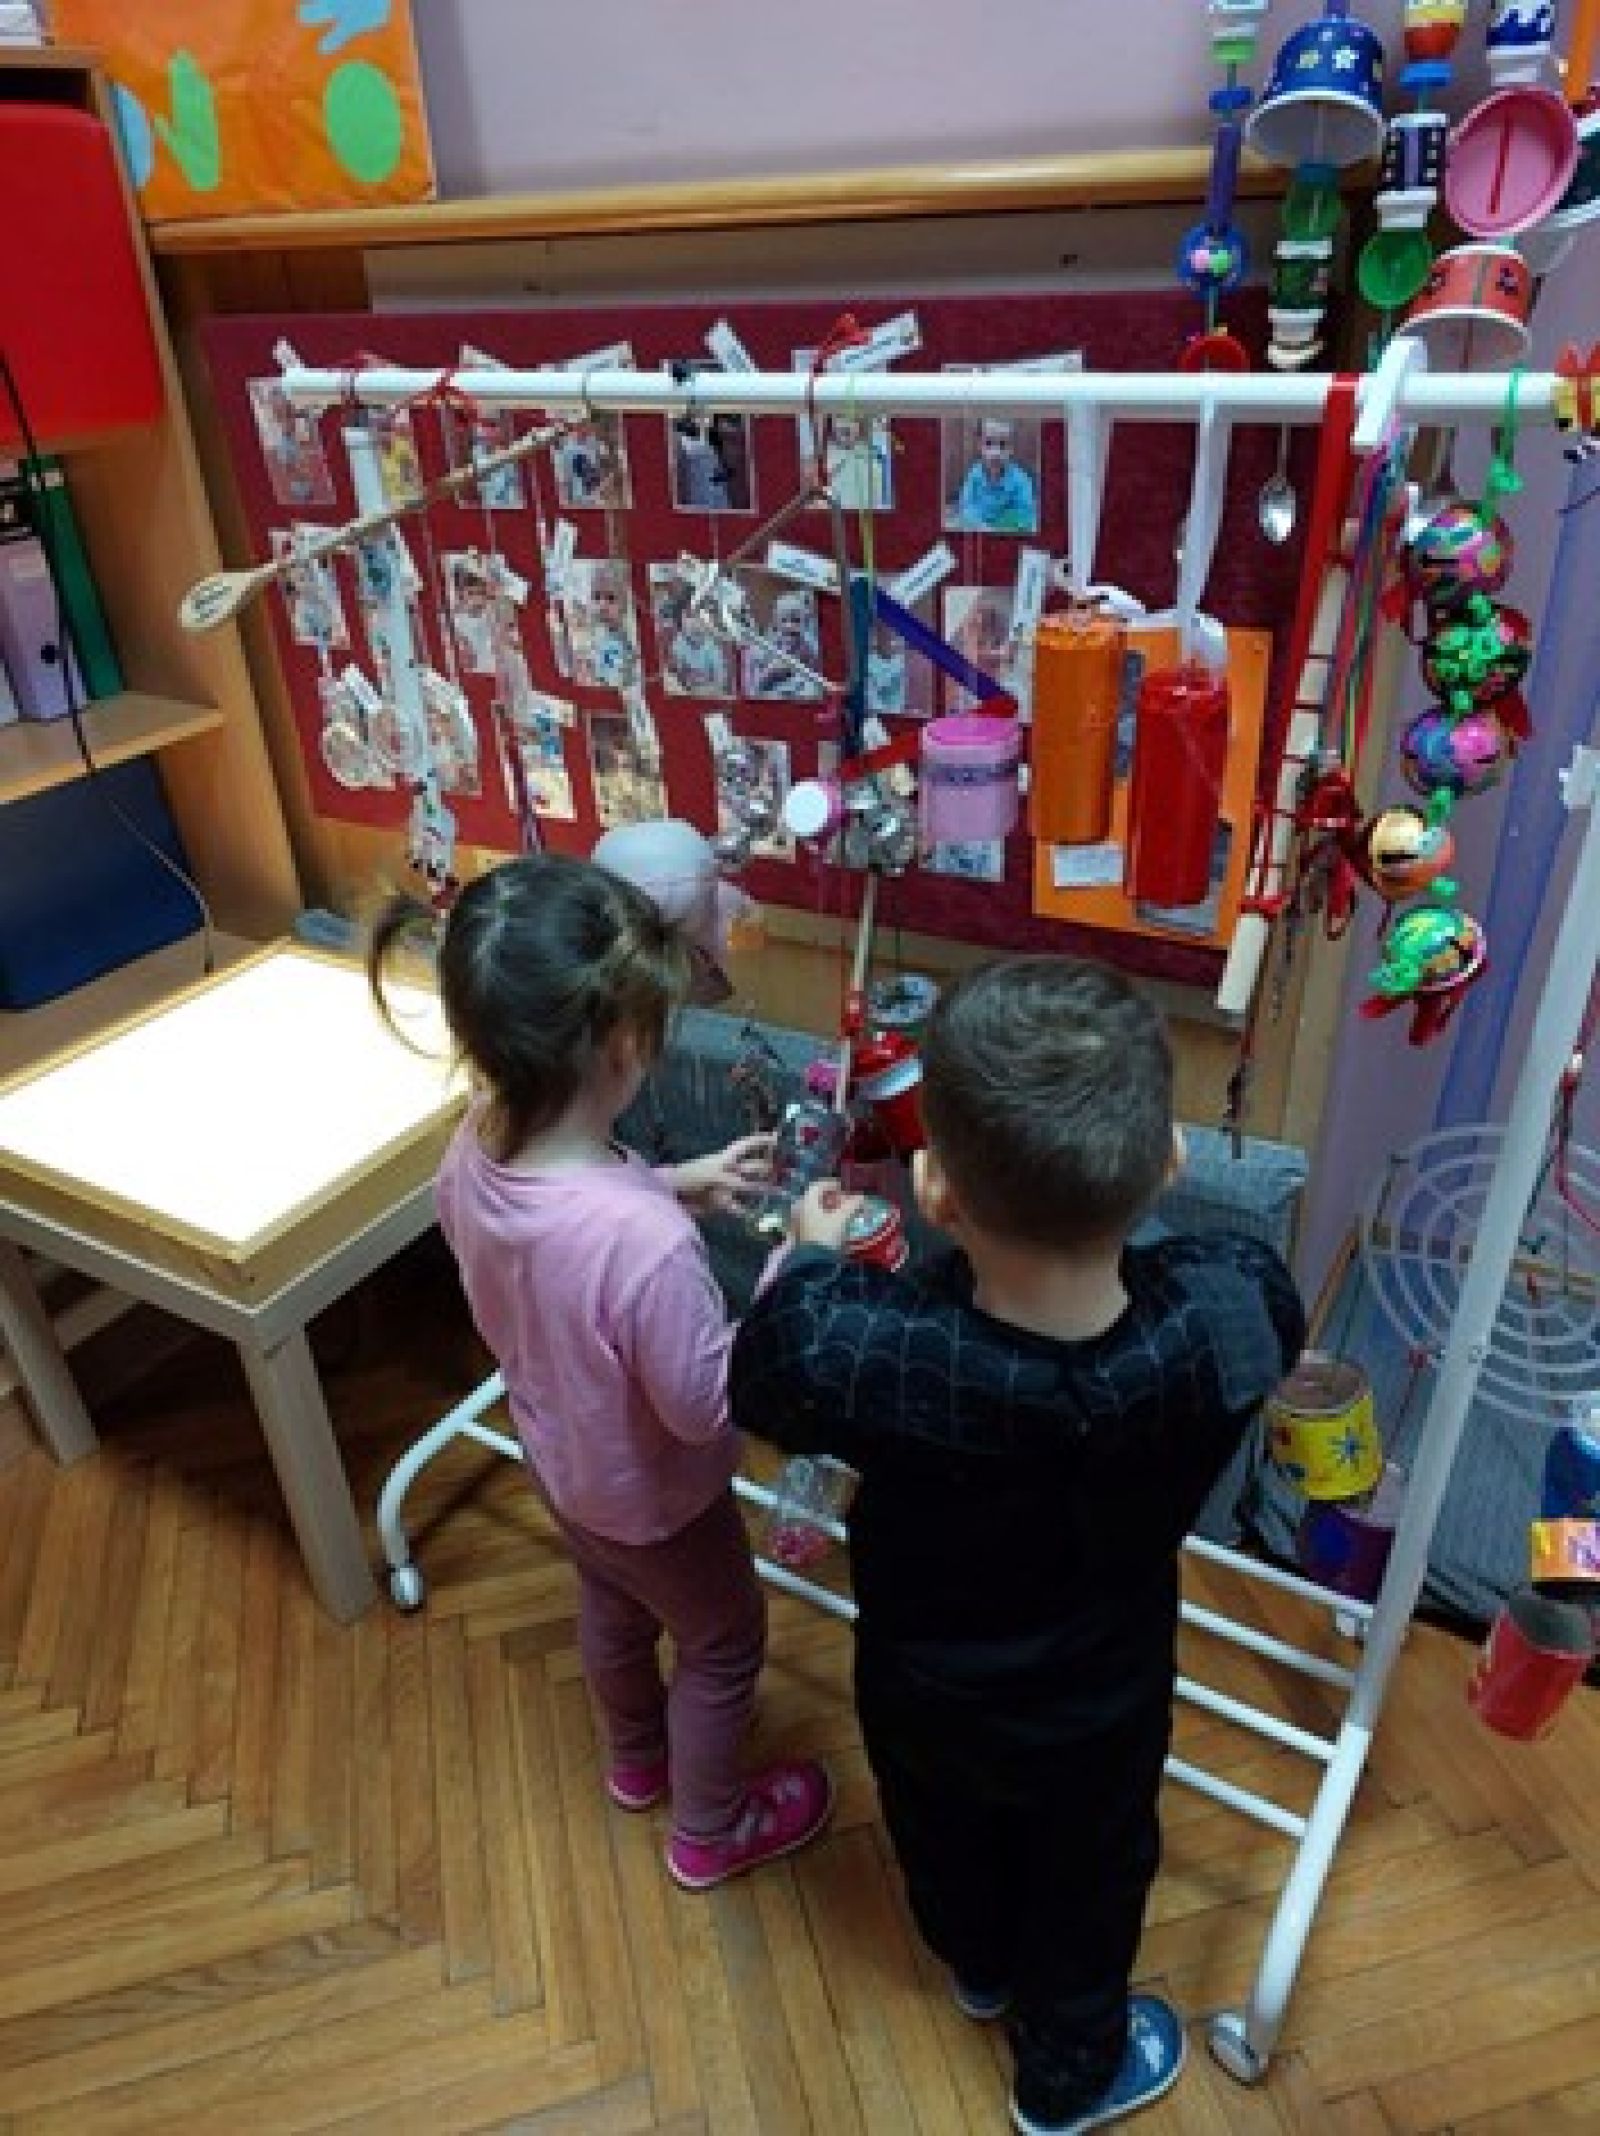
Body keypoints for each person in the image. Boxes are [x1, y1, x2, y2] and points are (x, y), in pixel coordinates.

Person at [730, 958, 1306, 2134]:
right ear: (1170, 1162)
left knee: (936, 1826)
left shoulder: (861, 1354)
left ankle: (978, 1963)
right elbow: (1233, 1296)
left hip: (923, 1678)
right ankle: (1065, 2073)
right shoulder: (1228, 1309)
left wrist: (811, 1249)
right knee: (1090, 1877)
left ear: (934, 1190)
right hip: (1102, 1690)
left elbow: (770, 1370)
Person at [368, 856, 834, 1891]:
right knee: (722, 1644)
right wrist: (795, 1265)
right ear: (625, 1045)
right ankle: (708, 1829)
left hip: (566, 1469)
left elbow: (566, 1238)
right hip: (665, 1503)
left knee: (613, 1606)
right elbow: (707, 1403)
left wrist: (670, 1182)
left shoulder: (473, 1149)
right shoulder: (644, 1247)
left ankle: (636, 1762)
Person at [955, 417, 1038, 534]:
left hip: (1008, 528)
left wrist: (1003, 527)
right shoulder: (974, 475)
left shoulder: (1021, 480)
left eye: (1002, 445)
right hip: (980, 527)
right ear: (979, 446)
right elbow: (965, 505)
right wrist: (979, 525)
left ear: (1011, 449)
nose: (996, 453)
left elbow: (1026, 512)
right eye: (988, 443)